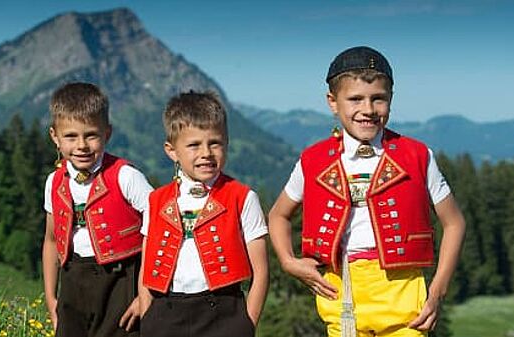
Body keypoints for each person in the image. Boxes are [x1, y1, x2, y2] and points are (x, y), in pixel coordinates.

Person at [268, 46, 466, 337]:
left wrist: (438, 290)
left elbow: (454, 222)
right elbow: (278, 215)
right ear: (333, 102)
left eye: (378, 99)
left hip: (403, 296)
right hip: (339, 292)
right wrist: (288, 262)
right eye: (355, 99)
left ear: (391, 100)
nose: (369, 110)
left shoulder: (418, 156)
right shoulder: (313, 160)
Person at [138, 91, 269, 337]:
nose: (206, 153)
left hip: (224, 315)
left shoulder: (243, 198)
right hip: (164, 314)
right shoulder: (156, 200)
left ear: (227, 143)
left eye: (215, 143)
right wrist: (148, 318)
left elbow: (261, 271)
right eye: (193, 145)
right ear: (172, 150)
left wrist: (245, 325)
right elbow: (147, 268)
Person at [42, 82, 153, 337]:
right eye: (70, 136)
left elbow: (158, 231)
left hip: (121, 281)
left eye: (91, 135)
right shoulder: (54, 182)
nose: (81, 145)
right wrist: (51, 298)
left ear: (107, 133)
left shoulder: (126, 176)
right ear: (55, 137)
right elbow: (50, 241)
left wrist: (144, 294)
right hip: (73, 282)